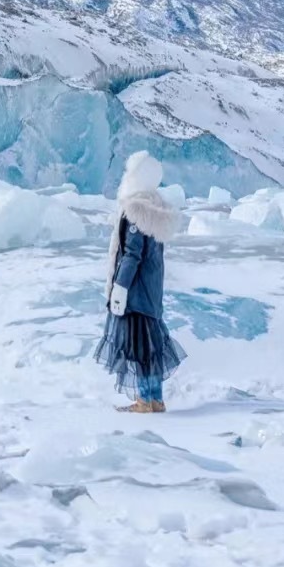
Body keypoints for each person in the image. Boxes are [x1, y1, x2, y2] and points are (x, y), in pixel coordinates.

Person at [94, 151, 186, 412]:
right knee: (151, 349)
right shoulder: (158, 209)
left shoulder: (135, 211)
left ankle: (144, 401)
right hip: (151, 294)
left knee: (138, 349)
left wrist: (119, 288)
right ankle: (155, 399)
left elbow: (132, 255)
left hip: (135, 294)